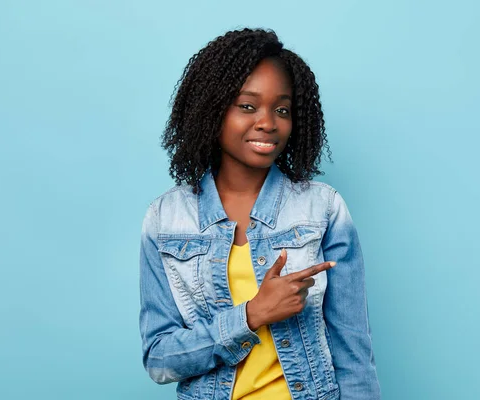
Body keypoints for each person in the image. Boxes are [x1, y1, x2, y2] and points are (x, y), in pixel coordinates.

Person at [139, 28, 381, 400]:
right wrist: (251, 315)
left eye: (281, 109)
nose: (268, 122)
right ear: (212, 109)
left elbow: (354, 356)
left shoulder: (323, 209)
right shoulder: (166, 219)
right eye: (248, 106)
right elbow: (160, 359)